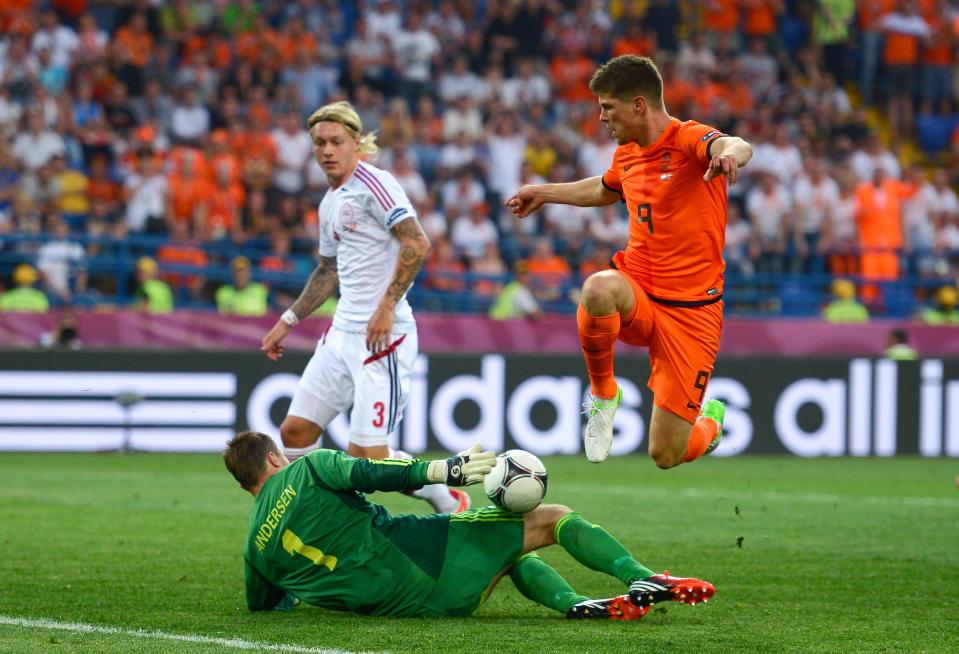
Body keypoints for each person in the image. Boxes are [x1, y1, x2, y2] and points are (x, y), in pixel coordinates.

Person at [506, 55, 753, 468]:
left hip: (692, 312)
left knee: (666, 453)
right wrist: (544, 192)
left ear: (639, 105)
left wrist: (728, 154)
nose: (601, 117)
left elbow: (734, 145)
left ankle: (710, 426)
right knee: (598, 288)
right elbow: (605, 189)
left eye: (607, 106)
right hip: (638, 290)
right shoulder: (628, 153)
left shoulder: (688, 138)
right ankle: (604, 395)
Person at [223, 430, 716, 619]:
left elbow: (263, 605)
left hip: (406, 610)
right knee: (551, 518)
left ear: (246, 482)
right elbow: (371, 471)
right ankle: (641, 576)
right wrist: (442, 470)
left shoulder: (253, 550)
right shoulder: (306, 469)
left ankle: (575, 603)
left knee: (503, 548)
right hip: (421, 558)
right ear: (274, 457)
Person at [259, 101, 466, 514]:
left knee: (369, 460)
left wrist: (387, 305)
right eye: (319, 142)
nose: (327, 150)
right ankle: (320, 517)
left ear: (357, 143)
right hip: (340, 335)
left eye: (336, 141)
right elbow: (328, 270)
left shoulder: (375, 183)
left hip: (382, 339)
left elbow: (418, 241)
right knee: (295, 431)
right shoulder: (329, 200)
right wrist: (289, 320)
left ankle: (446, 495)